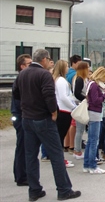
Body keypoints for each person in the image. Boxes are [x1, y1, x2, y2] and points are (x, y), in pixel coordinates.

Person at [12, 49, 81, 201]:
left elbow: (16, 94)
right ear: (44, 60)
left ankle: (34, 190)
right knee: (56, 154)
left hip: (27, 118)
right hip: (43, 118)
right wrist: (53, 112)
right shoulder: (44, 74)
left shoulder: (22, 74)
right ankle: (64, 189)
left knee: (31, 155)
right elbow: (49, 95)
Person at [83, 67, 105, 174]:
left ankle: (87, 164)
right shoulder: (93, 85)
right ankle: (92, 165)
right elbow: (96, 101)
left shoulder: (91, 84)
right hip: (94, 113)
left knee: (91, 140)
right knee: (93, 141)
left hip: (94, 113)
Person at [11, 54, 32, 187]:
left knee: (24, 146)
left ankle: (20, 173)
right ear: (22, 66)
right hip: (20, 116)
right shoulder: (20, 80)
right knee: (22, 146)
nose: (32, 66)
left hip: (21, 115)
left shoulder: (23, 79)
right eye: (29, 64)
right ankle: (21, 176)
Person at [52, 60, 77, 168]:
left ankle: (59, 159)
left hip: (62, 109)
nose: (68, 68)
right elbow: (63, 97)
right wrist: (73, 107)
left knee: (59, 136)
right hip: (64, 110)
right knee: (60, 136)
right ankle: (60, 160)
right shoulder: (61, 81)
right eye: (66, 66)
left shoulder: (58, 80)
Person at [71, 61, 90, 160]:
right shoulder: (79, 79)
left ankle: (77, 149)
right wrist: (86, 98)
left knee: (80, 129)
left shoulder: (82, 79)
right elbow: (77, 93)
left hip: (81, 104)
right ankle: (77, 150)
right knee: (79, 129)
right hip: (80, 105)